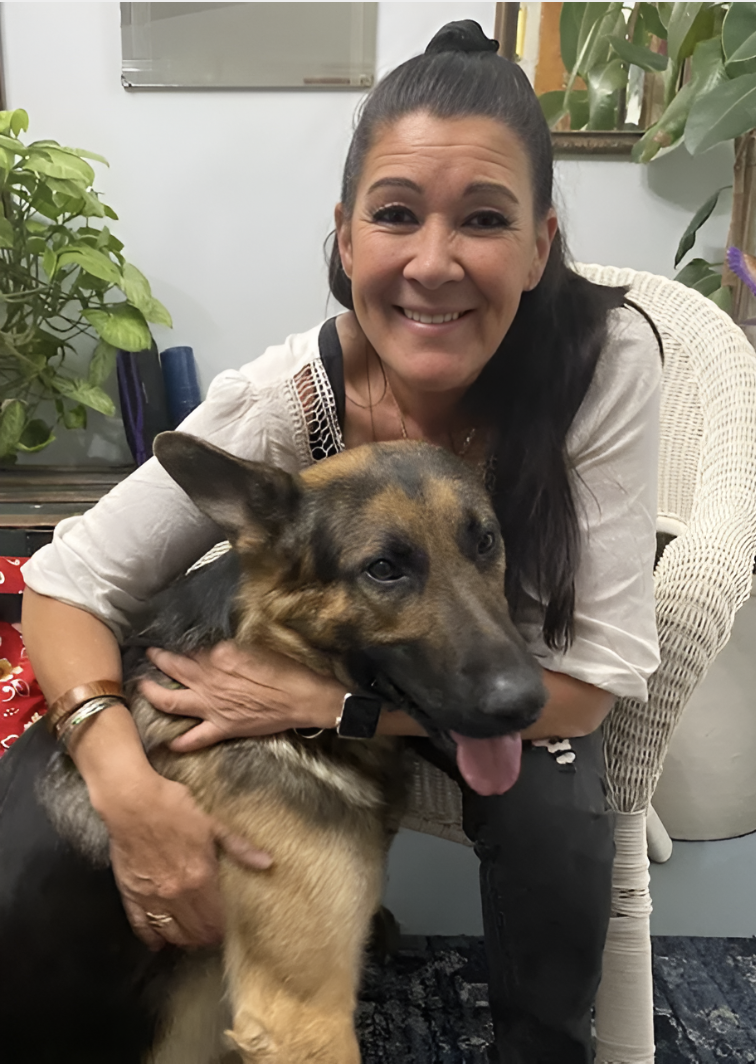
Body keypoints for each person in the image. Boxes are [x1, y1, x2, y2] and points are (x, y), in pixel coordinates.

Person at [18, 20, 660, 1064]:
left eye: (486, 219)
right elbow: (61, 584)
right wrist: (129, 791)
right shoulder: (284, 400)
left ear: (542, 243)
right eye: (397, 214)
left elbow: (594, 674)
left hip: (514, 682)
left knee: (551, 781)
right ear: (347, 236)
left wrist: (337, 705)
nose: (434, 261)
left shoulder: (606, 361)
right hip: (306, 709)